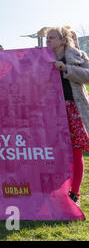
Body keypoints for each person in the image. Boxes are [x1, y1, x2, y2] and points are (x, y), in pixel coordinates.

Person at [46, 26, 89, 206]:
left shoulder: (79, 56)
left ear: (63, 40)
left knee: (75, 150)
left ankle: (75, 193)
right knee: (52, 152)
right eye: (47, 37)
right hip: (50, 111)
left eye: (52, 37)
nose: (48, 40)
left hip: (73, 109)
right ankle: (55, 191)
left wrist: (66, 68)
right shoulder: (40, 59)